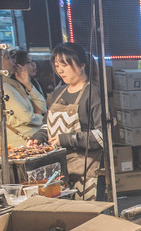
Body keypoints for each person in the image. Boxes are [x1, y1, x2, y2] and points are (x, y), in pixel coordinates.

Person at [28, 43, 103, 200]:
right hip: (59, 172)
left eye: (64, 65)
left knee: (85, 217)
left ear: (82, 65)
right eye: (56, 65)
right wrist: (38, 137)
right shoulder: (58, 92)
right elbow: (48, 124)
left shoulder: (93, 93)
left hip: (85, 171)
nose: (59, 70)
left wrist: (65, 139)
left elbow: (101, 136)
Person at [2, 48, 44, 148]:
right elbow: (27, 117)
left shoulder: (14, 84)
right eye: (8, 58)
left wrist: (27, 84)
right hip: (20, 143)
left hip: (30, 140)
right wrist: (42, 119)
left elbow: (42, 107)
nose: (13, 62)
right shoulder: (4, 87)